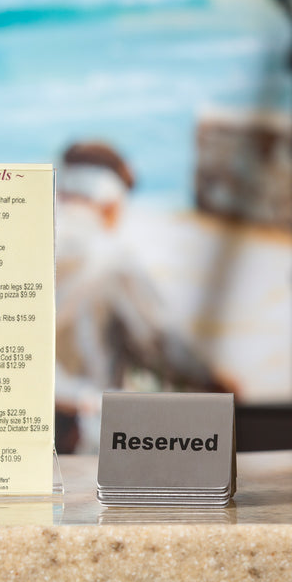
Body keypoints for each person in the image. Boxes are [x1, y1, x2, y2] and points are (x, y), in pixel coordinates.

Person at [54, 141, 233, 453]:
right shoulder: (113, 259)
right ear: (110, 202)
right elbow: (161, 342)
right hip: (83, 434)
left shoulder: (20, 247)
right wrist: (217, 384)